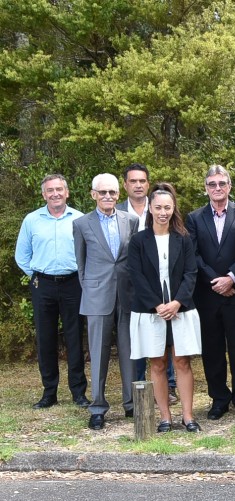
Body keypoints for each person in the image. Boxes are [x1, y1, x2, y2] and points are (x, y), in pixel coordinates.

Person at [128, 183, 202, 433]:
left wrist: (177, 302)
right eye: (158, 207)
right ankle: (165, 417)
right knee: (157, 362)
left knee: (182, 361)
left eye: (167, 208)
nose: (163, 212)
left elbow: (191, 273)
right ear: (150, 208)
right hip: (151, 310)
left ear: (173, 209)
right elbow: (135, 276)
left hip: (181, 306)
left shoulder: (183, 239)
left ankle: (188, 416)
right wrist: (157, 305)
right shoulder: (138, 241)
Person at [186, 165, 235, 420]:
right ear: (206, 188)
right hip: (207, 295)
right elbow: (192, 255)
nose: (217, 188)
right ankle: (219, 398)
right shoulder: (194, 218)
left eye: (222, 183)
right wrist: (216, 281)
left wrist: (231, 278)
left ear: (229, 186)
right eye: (212, 184)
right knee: (212, 350)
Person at [73, 173, 140, 430]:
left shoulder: (131, 221)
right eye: (103, 193)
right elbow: (81, 265)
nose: (108, 197)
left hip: (126, 294)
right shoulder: (81, 224)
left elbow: (132, 260)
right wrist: (91, 290)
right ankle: (98, 407)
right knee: (98, 353)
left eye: (112, 192)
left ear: (118, 194)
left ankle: (131, 404)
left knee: (129, 352)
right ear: (93, 195)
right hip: (96, 295)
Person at [15, 174, 88, 409]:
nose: (55, 193)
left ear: (67, 192)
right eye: (50, 190)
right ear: (43, 194)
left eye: (59, 189)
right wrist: (36, 275)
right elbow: (22, 255)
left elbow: (87, 253)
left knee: (75, 338)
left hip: (73, 283)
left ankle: (78, 392)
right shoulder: (32, 220)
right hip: (43, 284)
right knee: (45, 338)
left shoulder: (79, 219)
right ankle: (49, 392)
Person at [117, 163, 177, 403]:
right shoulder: (118, 211)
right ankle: (140, 389)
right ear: (126, 185)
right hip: (131, 284)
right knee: (141, 340)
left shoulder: (161, 208)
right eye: (133, 181)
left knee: (166, 337)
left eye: (142, 181)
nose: (138, 185)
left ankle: (168, 387)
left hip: (164, 288)